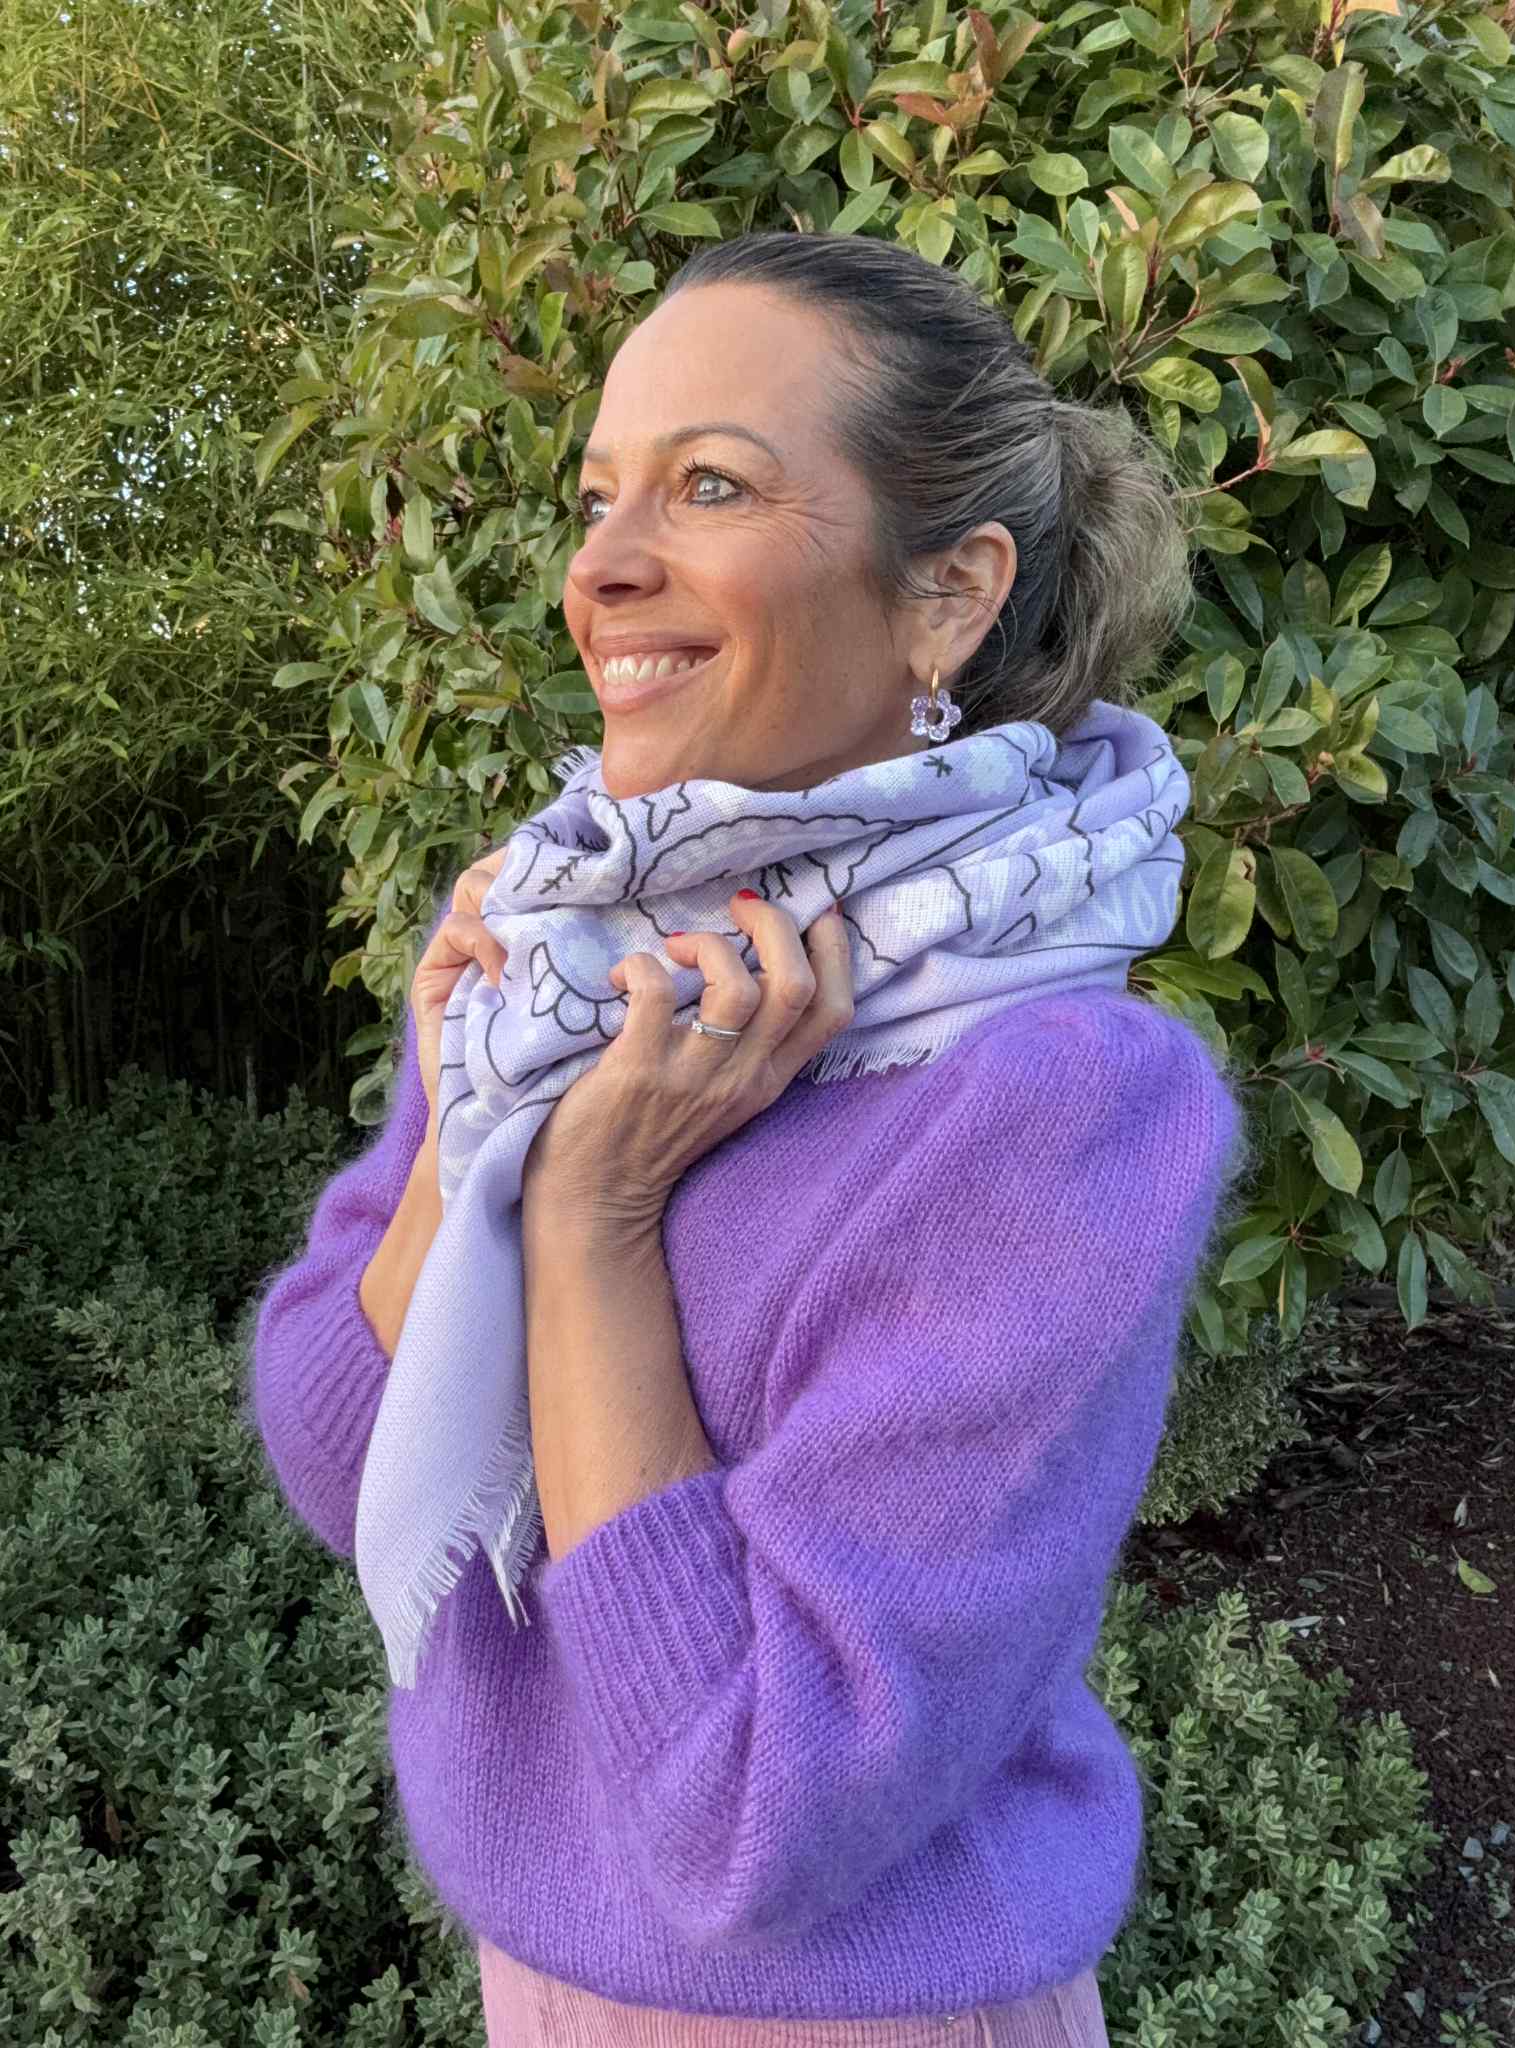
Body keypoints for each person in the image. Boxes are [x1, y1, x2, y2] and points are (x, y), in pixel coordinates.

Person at [245, 230, 1249, 2046]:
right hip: (543, 1989)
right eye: (599, 497)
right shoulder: (568, 960)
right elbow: (340, 1463)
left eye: (710, 485)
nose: (601, 566)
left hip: (860, 2010)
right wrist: (469, 1111)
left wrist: (593, 1216)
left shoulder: (1051, 1101)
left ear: (948, 595)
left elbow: (749, 1804)